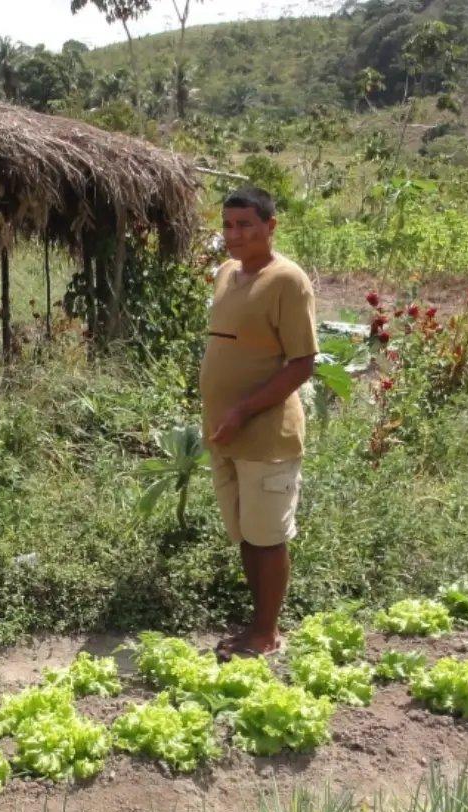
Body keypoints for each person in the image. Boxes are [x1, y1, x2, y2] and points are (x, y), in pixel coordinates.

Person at [202, 187, 318, 660]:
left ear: (270, 226)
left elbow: (302, 363)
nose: (235, 235)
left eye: (246, 225)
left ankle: (266, 634)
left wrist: (242, 411)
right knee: (248, 535)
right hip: (225, 433)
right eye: (228, 225)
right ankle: (257, 625)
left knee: (268, 539)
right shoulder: (226, 273)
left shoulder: (288, 280)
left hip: (266, 436)